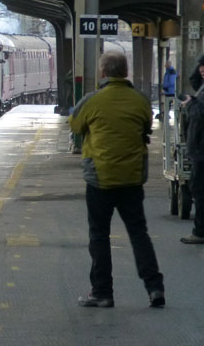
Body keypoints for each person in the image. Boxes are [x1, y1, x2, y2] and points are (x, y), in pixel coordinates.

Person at [69, 50, 165, 308]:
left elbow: (75, 125)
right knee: (138, 233)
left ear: (102, 73)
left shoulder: (93, 100)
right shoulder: (141, 101)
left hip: (100, 179)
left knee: (99, 234)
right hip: (132, 180)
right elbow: (146, 127)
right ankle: (154, 288)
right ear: (125, 73)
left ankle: (102, 292)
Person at [180, 55, 204, 244]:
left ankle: (200, 231)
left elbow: (199, 114)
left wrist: (189, 104)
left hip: (202, 149)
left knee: (199, 189)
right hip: (200, 149)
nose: (201, 69)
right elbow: (194, 79)